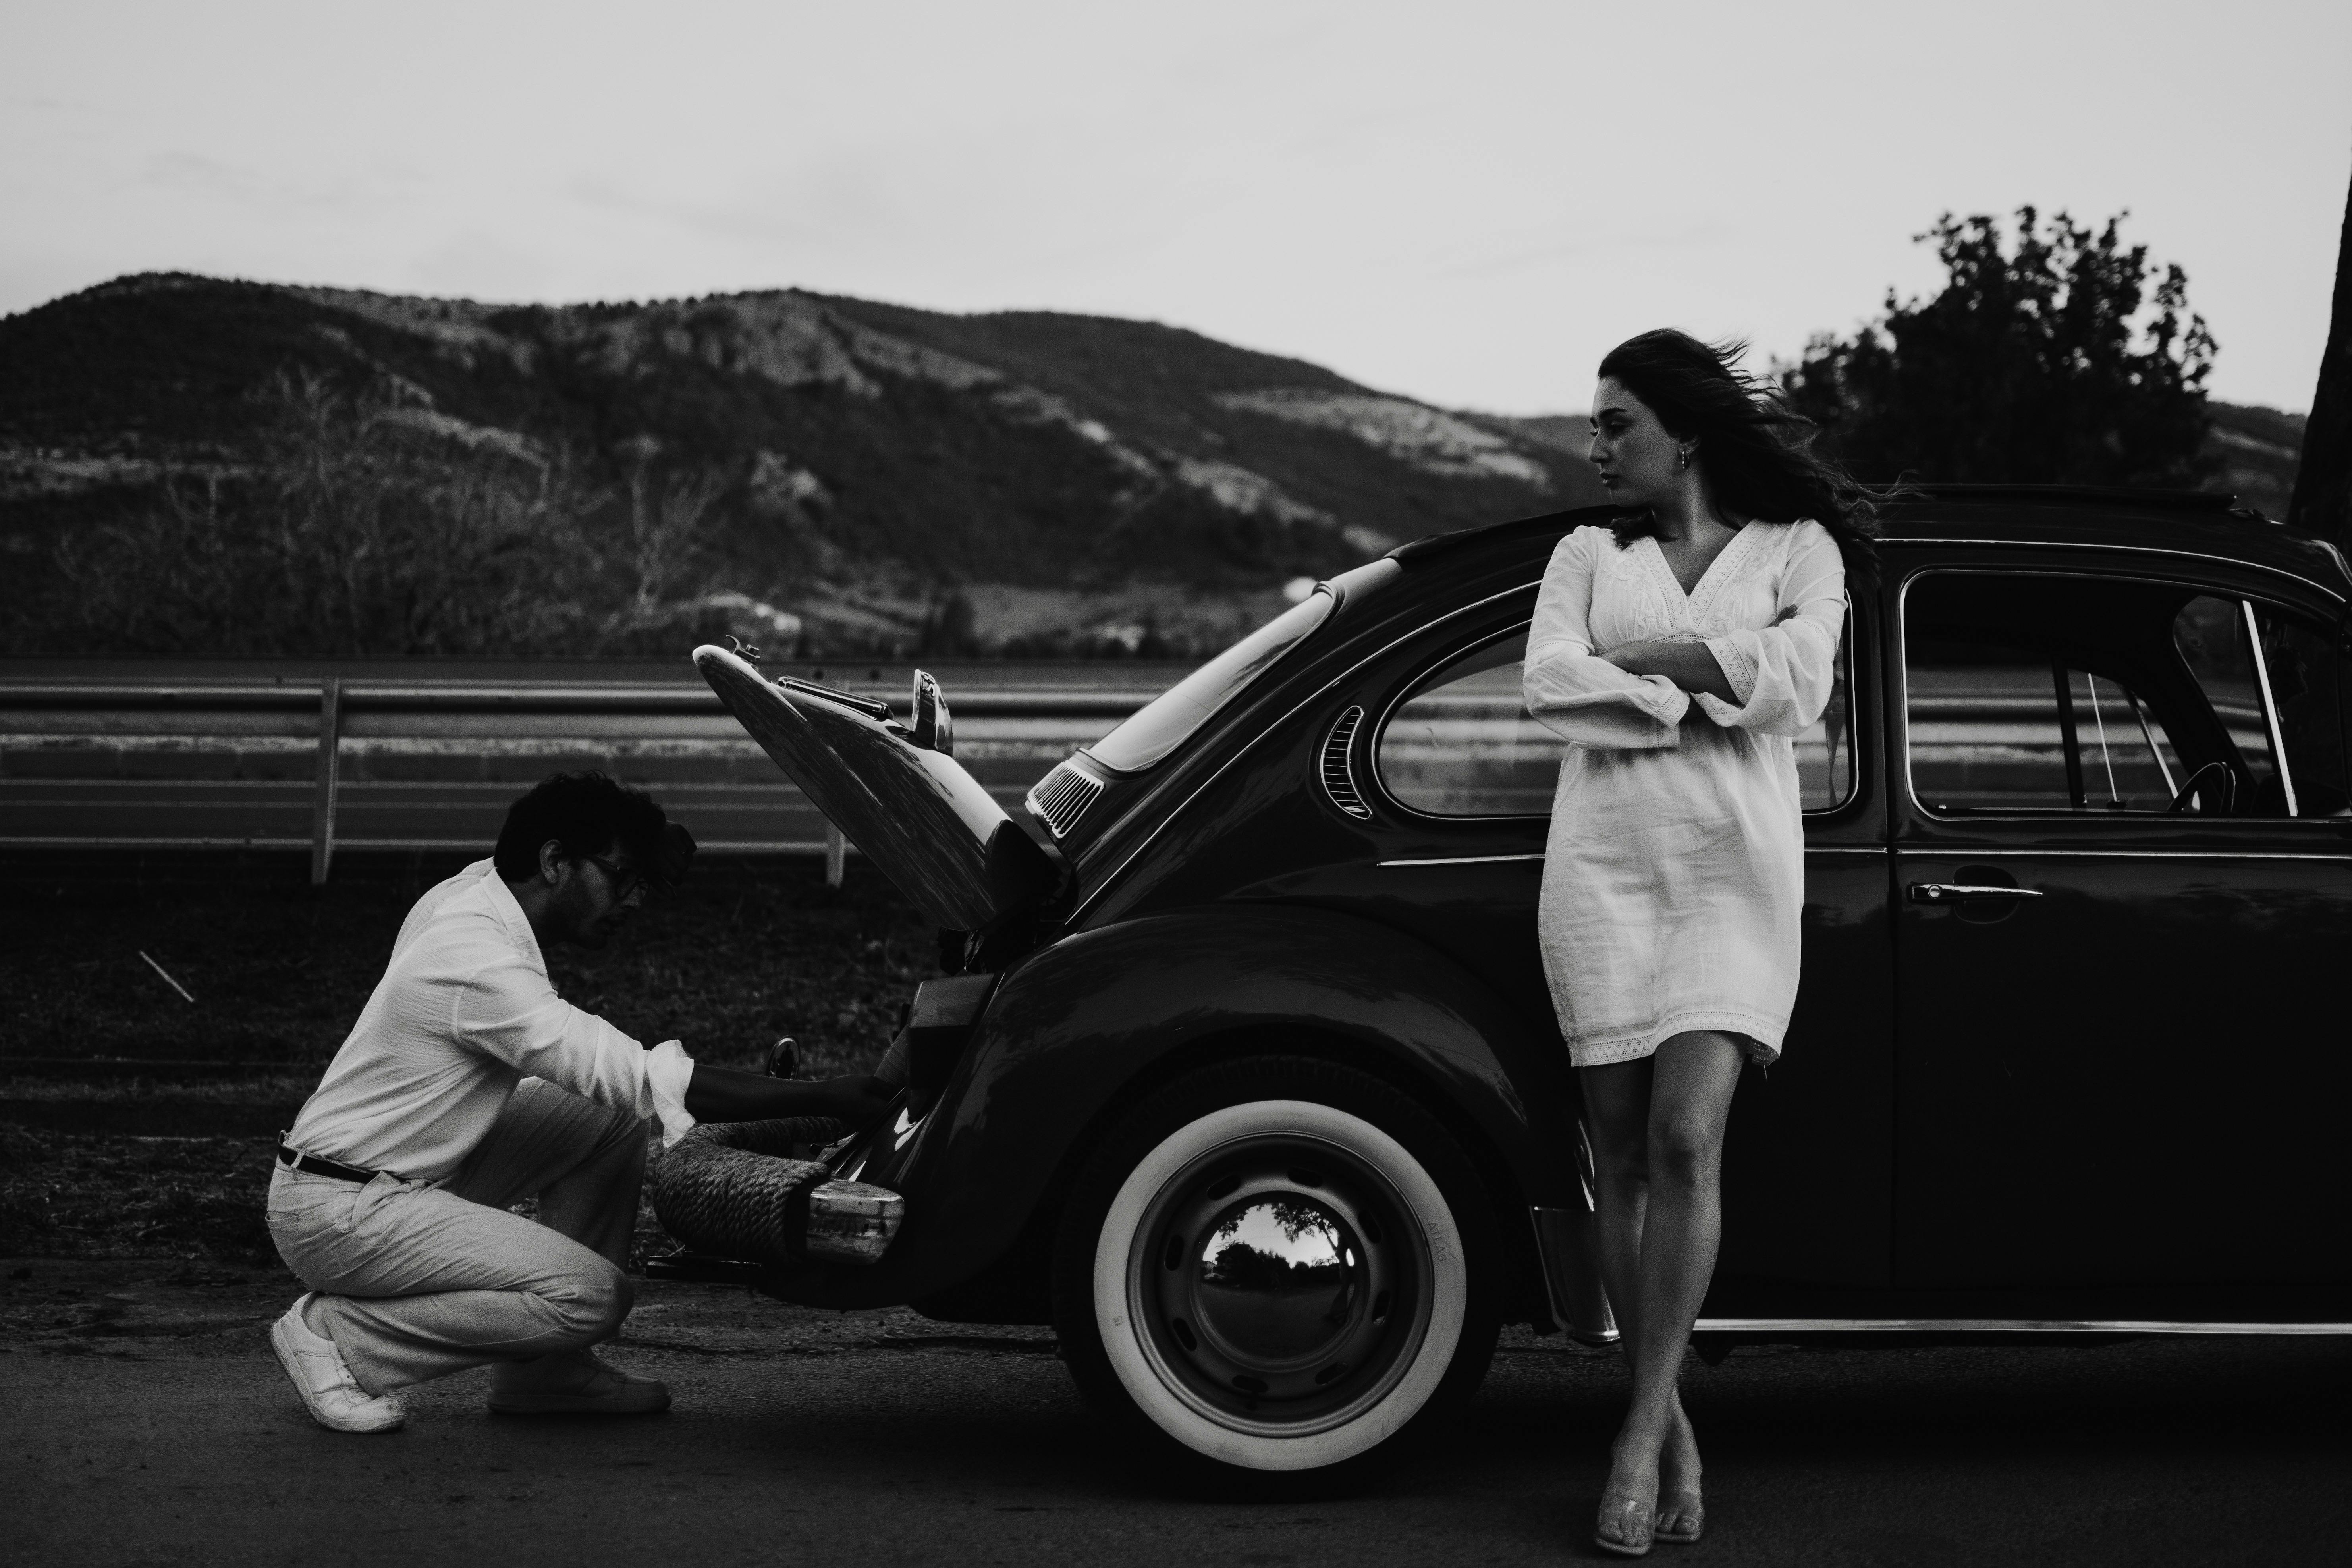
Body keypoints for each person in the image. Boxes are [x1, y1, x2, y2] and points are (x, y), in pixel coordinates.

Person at [1522, 330, 1878, 1556]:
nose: (1594, 446)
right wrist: (1701, 683)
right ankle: (1664, 1416)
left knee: (1684, 1136)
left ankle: (1628, 1434)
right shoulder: (1583, 551)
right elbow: (1547, 682)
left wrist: (1653, 662)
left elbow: (1800, 683)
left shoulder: (1799, 549)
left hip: (1732, 874)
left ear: (1682, 430)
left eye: (1613, 422)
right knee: (1614, 1157)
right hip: (1602, 873)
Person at [265, 771, 892, 1434]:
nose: (634, 900)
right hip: (341, 1213)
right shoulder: (476, 960)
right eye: (622, 877)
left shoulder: (476, 893)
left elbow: (554, 820)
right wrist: (823, 1098)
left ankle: (545, 1372)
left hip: (386, 1178)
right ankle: (339, 1337)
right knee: (594, 1295)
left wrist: (649, 843)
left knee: (608, 1120)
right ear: (555, 861)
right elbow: (632, 1073)